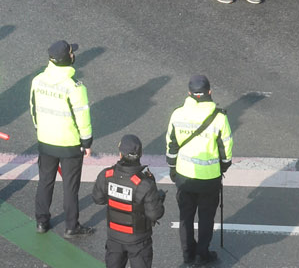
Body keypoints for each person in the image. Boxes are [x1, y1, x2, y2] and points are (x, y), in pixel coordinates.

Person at [166, 73, 233, 267]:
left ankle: (187, 254)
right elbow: (226, 150)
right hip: (209, 179)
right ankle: (201, 254)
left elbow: (171, 145)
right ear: (209, 92)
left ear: (189, 93)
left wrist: (173, 169)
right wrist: (222, 167)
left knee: (185, 217)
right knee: (206, 219)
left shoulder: (177, 114)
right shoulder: (219, 118)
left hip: (184, 176)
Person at [30, 40, 93, 237]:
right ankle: (71, 226)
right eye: (72, 52)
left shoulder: (38, 80)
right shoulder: (75, 87)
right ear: (68, 58)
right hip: (69, 144)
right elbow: (82, 118)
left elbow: (34, 110)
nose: (74, 54)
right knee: (70, 187)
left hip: (45, 140)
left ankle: (41, 222)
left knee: (45, 182)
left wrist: (40, 129)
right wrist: (87, 142)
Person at [93, 134, 166, 268]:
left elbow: (98, 199)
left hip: (114, 237)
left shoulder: (107, 175)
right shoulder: (145, 183)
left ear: (120, 154)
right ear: (140, 154)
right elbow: (155, 214)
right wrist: (159, 200)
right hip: (138, 240)